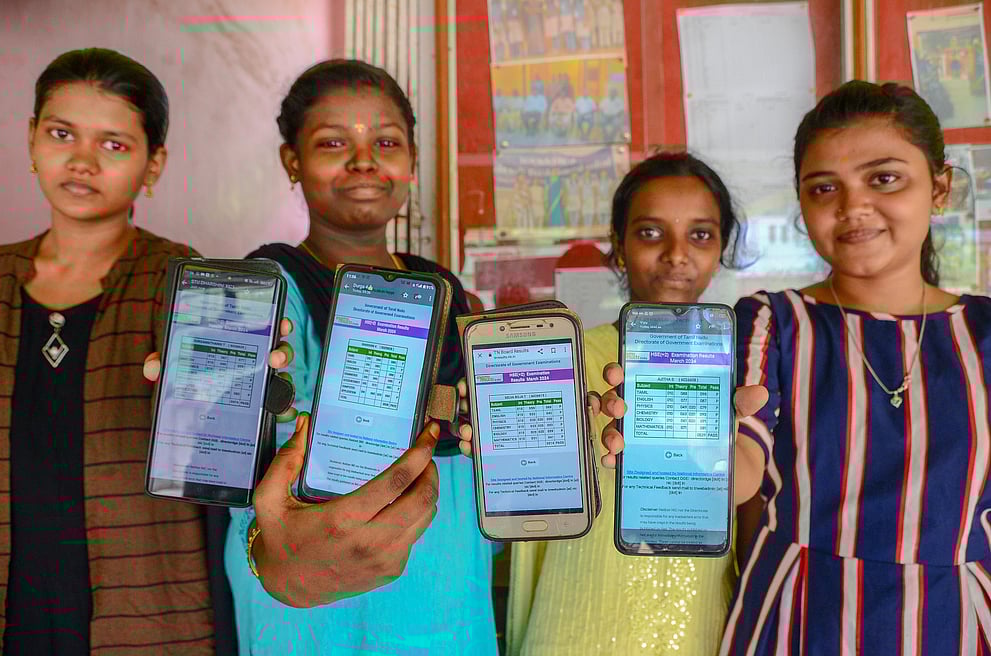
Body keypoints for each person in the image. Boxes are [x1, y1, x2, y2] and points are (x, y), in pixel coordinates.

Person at [601, 81, 991, 654]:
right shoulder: (772, 320)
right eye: (824, 188)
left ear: (939, 187)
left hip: (951, 624)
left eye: (884, 178)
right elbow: (744, 465)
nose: (852, 206)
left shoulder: (983, 333)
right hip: (799, 619)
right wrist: (678, 449)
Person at [0, 47, 288, 655]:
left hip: (151, 614)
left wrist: (247, 401)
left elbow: (221, 468)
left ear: (153, 164)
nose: (81, 161)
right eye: (61, 134)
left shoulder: (192, 287)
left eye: (113, 144)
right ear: (31, 139)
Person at [224, 59, 498, 655]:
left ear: (412, 160)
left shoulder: (452, 295)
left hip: (450, 598)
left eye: (387, 142)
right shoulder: (266, 287)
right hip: (313, 607)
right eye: (333, 143)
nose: (364, 161)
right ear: (291, 160)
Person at [459, 152, 747, 655]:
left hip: (697, 628)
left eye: (700, 234)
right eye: (651, 232)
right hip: (571, 626)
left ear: (721, 246)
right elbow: (524, 498)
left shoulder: (743, 370)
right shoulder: (563, 355)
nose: (677, 254)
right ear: (619, 245)